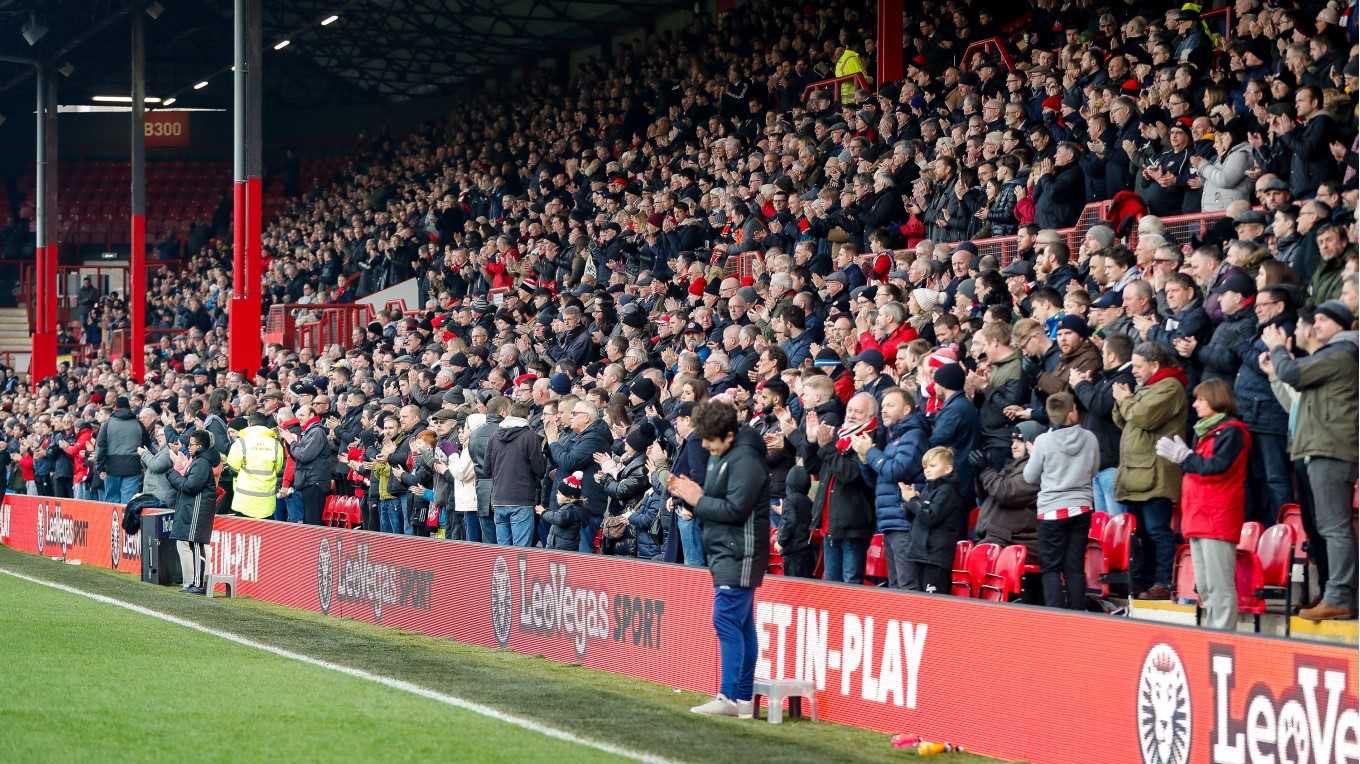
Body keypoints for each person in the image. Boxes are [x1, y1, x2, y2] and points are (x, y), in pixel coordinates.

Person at [666, 400, 769, 718]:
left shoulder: (746, 461)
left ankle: (729, 696)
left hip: (742, 551)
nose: (706, 447)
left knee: (725, 619)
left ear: (728, 436)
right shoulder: (721, 456)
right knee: (742, 624)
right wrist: (690, 497)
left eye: (710, 440)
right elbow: (713, 500)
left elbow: (736, 510)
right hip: (724, 550)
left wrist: (697, 498)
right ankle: (742, 699)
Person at [1263, 300, 1358, 621]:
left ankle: (1340, 596)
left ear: (1341, 325)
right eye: (1313, 319)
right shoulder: (1332, 356)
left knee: (1334, 526)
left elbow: (1292, 373)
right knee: (1328, 526)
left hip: (1330, 449)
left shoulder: (1342, 353)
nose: (1315, 325)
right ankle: (1336, 593)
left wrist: (1278, 349)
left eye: (1322, 320)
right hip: (1319, 447)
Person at [1154, 379, 1249, 630]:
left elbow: (1217, 468)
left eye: (1200, 399)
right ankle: (1213, 631)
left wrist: (1185, 457)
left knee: (1219, 584)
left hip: (1217, 517)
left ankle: (1223, 636)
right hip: (1199, 516)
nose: (1195, 405)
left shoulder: (1232, 431)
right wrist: (1187, 457)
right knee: (1206, 585)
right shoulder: (1206, 432)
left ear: (1216, 399)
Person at [1112, 342, 1187, 600]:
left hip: (1156, 474)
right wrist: (1122, 400)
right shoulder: (1148, 387)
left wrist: (1126, 399)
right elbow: (1125, 419)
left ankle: (1162, 582)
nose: (1133, 371)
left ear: (1154, 365)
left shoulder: (1170, 386)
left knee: (1157, 530)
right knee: (1141, 533)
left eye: (1137, 365)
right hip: (1136, 473)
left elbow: (1143, 417)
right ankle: (1142, 582)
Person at [1024, 392, 1100, 609]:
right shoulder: (1090, 437)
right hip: (1081, 507)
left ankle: (1055, 617)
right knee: (1074, 567)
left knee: (1050, 568)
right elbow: (1094, 470)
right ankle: (1077, 613)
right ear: (1071, 413)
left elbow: (1030, 477)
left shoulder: (1043, 442)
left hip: (1051, 511)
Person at [853, 387, 927, 588]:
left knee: (907, 586)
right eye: (883, 406)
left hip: (904, 521)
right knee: (895, 586)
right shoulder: (893, 439)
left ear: (906, 410)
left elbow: (897, 471)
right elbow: (877, 481)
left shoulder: (913, 435)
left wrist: (871, 453)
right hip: (890, 521)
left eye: (890, 405)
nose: (883, 410)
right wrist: (864, 459)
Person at [900, 446, 967, 594]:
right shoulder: (928, 489)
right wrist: (909, 501)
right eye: (925, 466)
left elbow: (930, 517)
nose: (927, 470)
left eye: (933, 465)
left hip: (935, 556)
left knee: (934, 604)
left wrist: (913, 500)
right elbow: (914, 517)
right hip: (920, 554)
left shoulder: (947, 490)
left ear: (948, 469)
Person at [485, 401, 546, 546]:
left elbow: (486, 470)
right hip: (522, 499)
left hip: (498, 499)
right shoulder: (530, 436)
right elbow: (540, 469)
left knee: (504, 550)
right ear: (528, 416)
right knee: (520, 550)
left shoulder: (494, 436)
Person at [976, 421, 1041, 556]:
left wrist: (986, 471)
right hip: (999, 537)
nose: (1014, 446)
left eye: (1020, 441)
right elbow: (989, 494)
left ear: (1032, 443)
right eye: (1013, 441)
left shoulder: (1035, 470)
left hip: (1017, 541)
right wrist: (978, 473)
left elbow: (1007, 493)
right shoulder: (1012, 466)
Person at [167, 430, 219, 595]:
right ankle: (191, 583)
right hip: (192, 508)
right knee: (188, 543)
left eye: (192, 444)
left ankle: (198, 583)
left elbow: (191, 486)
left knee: (196, 544)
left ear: (200, 446)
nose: (188, 447)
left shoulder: (202, 463)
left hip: (198, 508)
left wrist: (174, 474)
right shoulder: (199, 461)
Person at [223, 413, 285, 519]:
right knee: (264, 534)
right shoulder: (276, 444)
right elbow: (278, 468)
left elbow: (233, 465)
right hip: (266, 503)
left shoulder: (241, 442)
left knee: (244, 533)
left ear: (249, 423)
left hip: (244, 501)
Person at [96, 396, 150, 504]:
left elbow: (101, 447)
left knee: (112, 502)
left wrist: (100, 467)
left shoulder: (107, 424)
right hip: (133, 467)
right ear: (129, 407)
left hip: (112, 468)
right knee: (128, 501)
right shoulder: (138, 424)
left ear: (116, 407)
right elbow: (146, 445)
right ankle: (126, 521)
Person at [776, 465, 814, 578]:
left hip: (793, 551)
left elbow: (789, 522)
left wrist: (780, 542)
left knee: (793, 585)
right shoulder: (808, 501)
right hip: (807, 551)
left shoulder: (790, 500)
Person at [537, 471, 587, 551]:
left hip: (561, 549)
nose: (557, 495)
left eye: (560, 493)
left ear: (570, 497)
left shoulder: (569, 509)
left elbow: (558, 519)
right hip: (561, 547)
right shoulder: (571, 508)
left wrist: (544, 512)